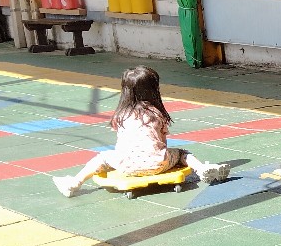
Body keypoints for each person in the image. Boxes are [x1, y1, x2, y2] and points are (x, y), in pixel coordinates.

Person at [53, 65, 231, 197]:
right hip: (158, 164)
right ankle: (202, 168)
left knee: (102, 158)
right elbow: (162, 142)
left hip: (126, 166)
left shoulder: (120, 115)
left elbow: (121, 142)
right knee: (183, 153)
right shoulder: (156, 113)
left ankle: (75, 182)